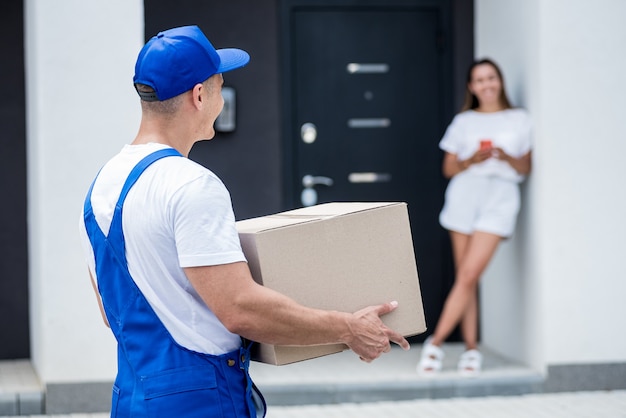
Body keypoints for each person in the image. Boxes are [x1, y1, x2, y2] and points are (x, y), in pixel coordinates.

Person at [79, 25, 410, 417]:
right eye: (219, 86)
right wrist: (348, 328)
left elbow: (110, 311)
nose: (221, 99)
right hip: (200, 401)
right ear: (199, 96)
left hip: (134, 397)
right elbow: (240, 309)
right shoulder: (192, 184)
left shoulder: (101, 185)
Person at [416, 58, 532, 376]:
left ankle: (435, 343)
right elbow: (448, 168)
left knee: (468, 275)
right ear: (472, 86)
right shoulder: (464, 121)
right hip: (465, 196)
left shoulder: (520, 119)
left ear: (500, 81)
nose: (486, 84)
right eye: (479, 80)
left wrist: (507, 156)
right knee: (466, 278)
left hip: (500, 198)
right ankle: (470, 350)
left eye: (491, 78)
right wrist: (471, 159)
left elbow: (526, 168)